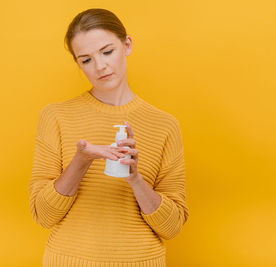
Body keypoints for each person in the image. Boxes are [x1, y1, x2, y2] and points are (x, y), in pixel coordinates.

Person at [28, 8, 189, 267]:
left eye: (107, 51)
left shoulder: (165, 125)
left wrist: (135, 179)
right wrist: (81, 160)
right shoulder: (55, 116)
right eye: (86, 59)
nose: (100, 66)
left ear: (126, 45)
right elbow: (44, 216)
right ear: (78, 64)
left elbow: (171, 228)